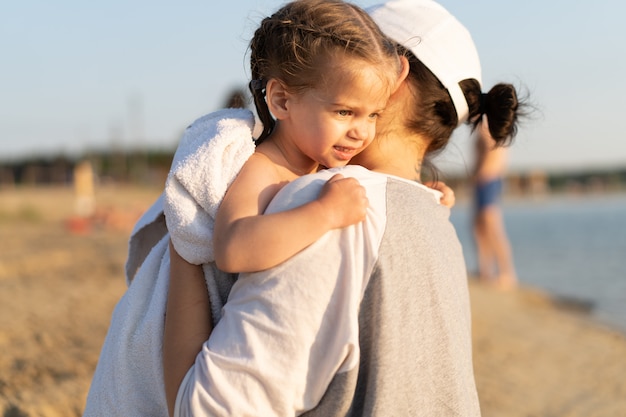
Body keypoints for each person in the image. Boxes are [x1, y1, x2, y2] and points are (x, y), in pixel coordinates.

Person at [164, 0, 525, 416]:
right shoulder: (438, 221)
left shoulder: (325, 207)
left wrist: (185, 232)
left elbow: (204, 407)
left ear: (394, 83)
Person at [84, 1, 404, 416]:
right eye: (344, 111)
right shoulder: (263, 168)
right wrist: (323, 214)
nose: (361, 131)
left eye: (374, 114)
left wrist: (417, 197)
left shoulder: (315, 157)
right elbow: (234, 247)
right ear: (282, 100)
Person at [473, 120, 518, 289]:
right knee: (479, 229)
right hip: (482, 183)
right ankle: (485, 270)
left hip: (489, 181)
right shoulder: (483, 130)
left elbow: (495, 156)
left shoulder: (492, 130)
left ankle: (507, 273)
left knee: (494, 229)